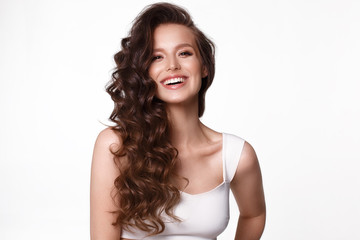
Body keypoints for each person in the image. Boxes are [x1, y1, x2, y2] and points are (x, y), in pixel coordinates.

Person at [90, 2, 266, 240]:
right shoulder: (117, 146)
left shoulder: (236, 155)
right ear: (144, 72)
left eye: (184, 53)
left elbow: (254, 215)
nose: (172, 65)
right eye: (156, 57)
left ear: (203, 66)